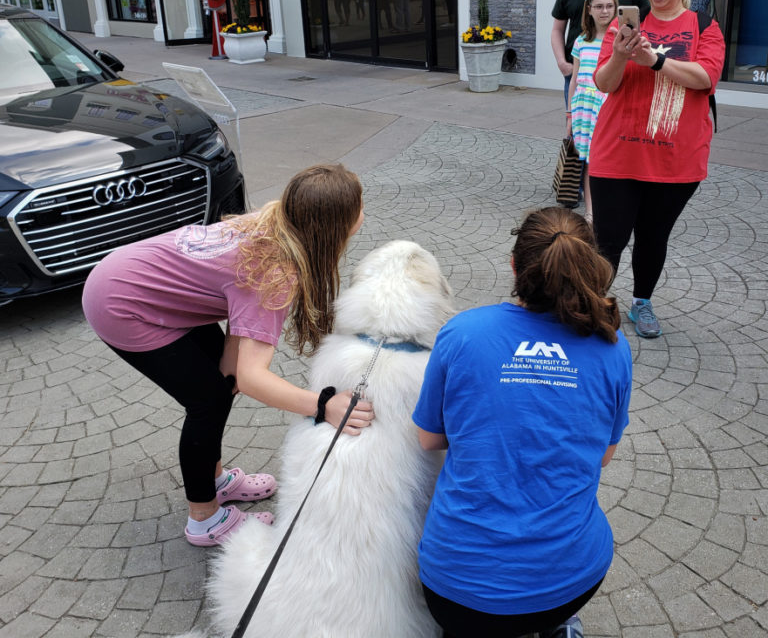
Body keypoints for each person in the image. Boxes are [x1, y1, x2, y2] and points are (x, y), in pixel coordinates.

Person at [82, 164, 374, 546]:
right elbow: (254, 378)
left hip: (146, 285)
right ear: (335, 225)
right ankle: (203, 519)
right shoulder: (276, 274)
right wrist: (325, 405)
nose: (365, 212)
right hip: (122, 304)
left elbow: (238, 311)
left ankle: (213, 478)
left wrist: (229, 367)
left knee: (222, 386)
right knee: (207, 401)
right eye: (360, 206)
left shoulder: (281, 219)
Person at [413, 207, 632, 638]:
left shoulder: (462, 333)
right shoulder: (611, 344)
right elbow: (604, 456)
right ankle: (558, 624)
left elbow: (428, 437)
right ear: (587, 267)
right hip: (572, 581)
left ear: (514, 266)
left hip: (457, 591)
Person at [590, 0, 726, 338]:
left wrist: (656, 61)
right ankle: (592, 302)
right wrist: (619, 54)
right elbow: (603, 83)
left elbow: (706, 78)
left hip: (675, 161)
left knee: (652, 237)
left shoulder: (704, 26)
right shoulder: (624, 25)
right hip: (618, 155)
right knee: (608, 239)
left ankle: (642, 302)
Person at [566, 0, 618, 221]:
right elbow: (574, 79)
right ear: (589, 9)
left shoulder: (620, 41)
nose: (604, 11)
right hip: (584, 109)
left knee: (610, 160)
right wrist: (569, 115)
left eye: (609, 6)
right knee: (589, 161)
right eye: (599, 6)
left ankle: (612, 207)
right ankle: (590, 211)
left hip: (610, 108)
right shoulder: (581, 41)